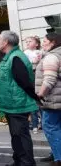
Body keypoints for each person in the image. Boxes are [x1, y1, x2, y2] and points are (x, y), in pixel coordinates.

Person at [0, 30, 39, 166]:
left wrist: (35, 97)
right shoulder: (10, 57)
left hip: (18, 104)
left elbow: (24, 81)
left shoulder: (15, 57)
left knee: (20, 136)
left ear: (6, 42)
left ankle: (26, 162)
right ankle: (19, 160)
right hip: (12, 104)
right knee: (16, 136)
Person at [35, 32, 61, 165]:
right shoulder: (57, 55)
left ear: (53, 42)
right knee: (58, 127)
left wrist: (39, 95)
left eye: (45, 41)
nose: (42, 43)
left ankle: (58, 158)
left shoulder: (52, 57)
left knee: (50, 127)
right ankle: (55, 153)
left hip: (52, 101)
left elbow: (49, 80)